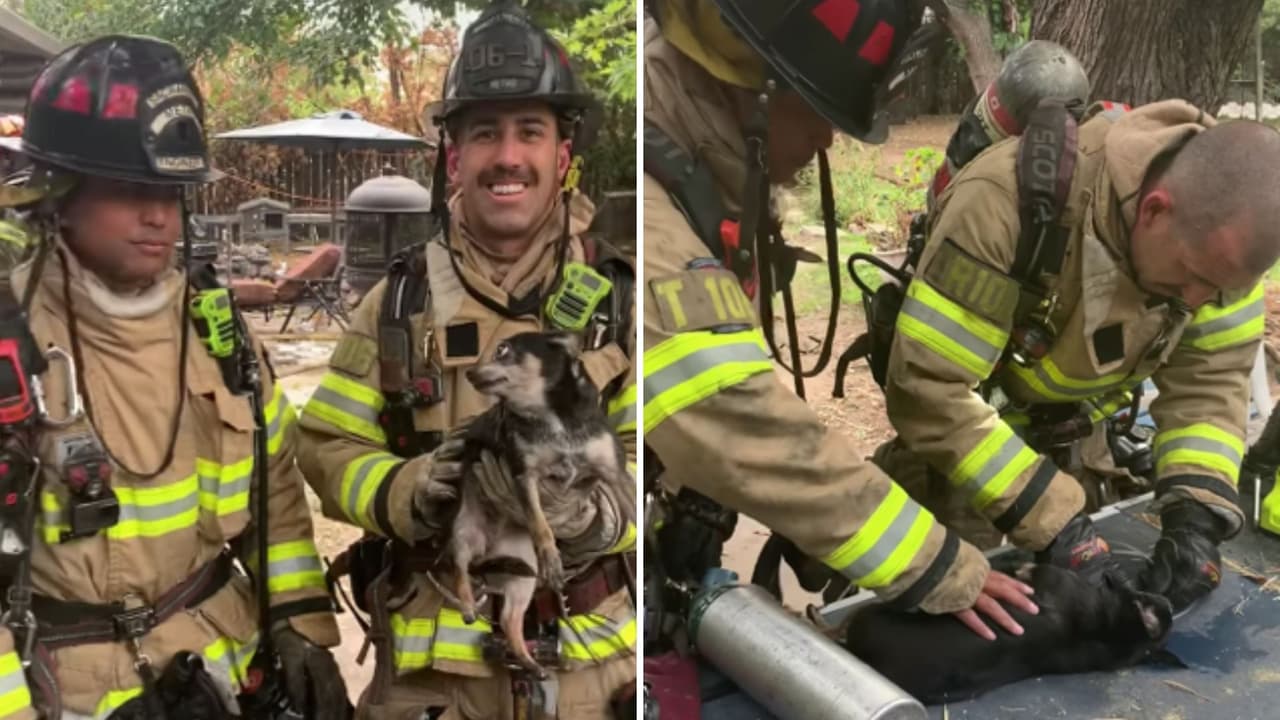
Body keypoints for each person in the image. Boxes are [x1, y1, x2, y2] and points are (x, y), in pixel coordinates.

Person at [641, 0, 1050, 642]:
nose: (827, 141)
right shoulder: (652, 225)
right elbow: (736, 420)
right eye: (819, 112)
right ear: (757, 89)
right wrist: (935, 565)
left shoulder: (699, 170)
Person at [295, 4, 638, 718]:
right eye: (485, 132)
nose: (508, 155)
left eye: (530, 132)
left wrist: (598, 517)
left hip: (597, 675)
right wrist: (405, 491)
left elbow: (659, 464)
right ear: (454, 156)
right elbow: (326, 448)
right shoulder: (397, 306)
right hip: (432, 684)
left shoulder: (622, 306)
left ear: (563, 157)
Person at [0, 35, 347, 719]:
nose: (159, 214)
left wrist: (300, 628)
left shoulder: (217, 332)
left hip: (219, 674)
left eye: (171, 190)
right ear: (60, 191)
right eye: (131, 188)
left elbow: (273, 489)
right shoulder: (12, 344)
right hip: (66, 693)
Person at [882, 92, 1280, 612]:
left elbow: (1210, 386)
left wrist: (1196, 514)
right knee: (950, 614)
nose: (1197, 302)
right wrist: (1055, 520)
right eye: (1195, 277)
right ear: (1156, 210)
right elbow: (930, 393)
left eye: (1220, 291)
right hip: (963, 456)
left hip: (1083, 445)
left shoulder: (1221, 252)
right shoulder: (1002, 205)